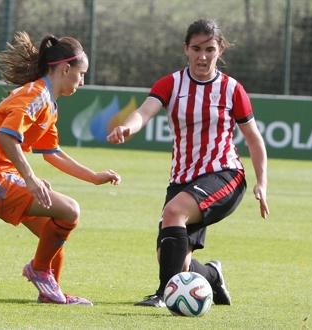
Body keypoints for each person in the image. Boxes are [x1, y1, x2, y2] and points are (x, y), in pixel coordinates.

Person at [107, 18, 269, 307]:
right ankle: (212, 275)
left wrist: (262, 183)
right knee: (172, 259)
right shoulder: (171, 83)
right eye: (196, 49)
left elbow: (255, 140)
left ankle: (162, 295)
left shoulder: (232, 90)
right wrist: (128, 128)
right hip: (183, 180)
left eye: (209, 49)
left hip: (225, 174)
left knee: (174, 212)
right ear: (186, 49)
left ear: (220, 50)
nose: (202, 56)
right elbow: (144, 113)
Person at [0, 31, 121, 305]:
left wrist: (94, 177)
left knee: (53, 233)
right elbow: (6, 135)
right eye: (81, 74)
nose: (82, 81)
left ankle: (51, 292)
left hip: (2, 175)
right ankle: (39, 271)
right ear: (64, 68)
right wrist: (31, 179)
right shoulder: (36, 95)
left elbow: (52, 153)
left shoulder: (49, 103)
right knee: (70, 211)